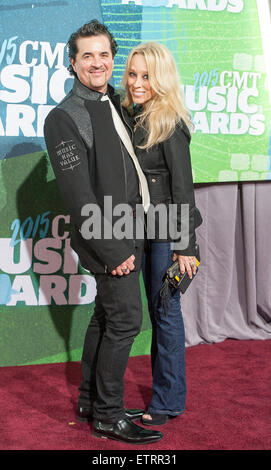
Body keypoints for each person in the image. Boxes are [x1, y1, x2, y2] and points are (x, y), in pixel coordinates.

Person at [43, 21, 163, 444]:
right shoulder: (63, 117)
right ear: (73, 63)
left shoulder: (113, 100)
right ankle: (109, 417)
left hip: (130, 228)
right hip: (104, 236)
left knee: (107, 315)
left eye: (104, 54)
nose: (98, 63)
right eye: (87, 56)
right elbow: (79, 196)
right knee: (127, 319)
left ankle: (92, 399)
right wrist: (113, 249)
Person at [122, 42, 203, 425]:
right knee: (148, 312)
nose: (138, 83)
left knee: (165, 313)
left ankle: (168, 401)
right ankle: (160, 397)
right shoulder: (131, 115)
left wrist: (185, 245)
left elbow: (183, 190)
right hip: (137, 226)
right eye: (134, 74)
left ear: (162, 78)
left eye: (147, 76)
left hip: (168, 231)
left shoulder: (170, 123)